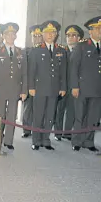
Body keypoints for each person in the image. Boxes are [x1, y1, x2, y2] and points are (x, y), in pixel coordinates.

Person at [70, 16, 101, 151]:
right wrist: (74, 86)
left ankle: (88, 142)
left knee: (93, 117)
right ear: (90, 31)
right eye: (98, 28)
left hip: (99, 89)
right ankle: (77, 141)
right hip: (82, 88)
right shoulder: (82, 46)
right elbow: (74, 68)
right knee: (80, 116)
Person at [28, 20, 67, 151]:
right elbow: (31, 71)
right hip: (39, 88)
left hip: (54, 89)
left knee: (50, 115)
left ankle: (46, 139)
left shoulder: (61, 50)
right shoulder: (36, 50)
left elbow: (63, 71)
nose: (50, 35)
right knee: (38, 115)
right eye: (47, 32)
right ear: (43, 34)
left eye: (53, 32)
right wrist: (31, 87)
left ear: (56, 34)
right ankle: (36, 140)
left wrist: (63, 87)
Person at [0, 23, 28, 150]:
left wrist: (24, 90)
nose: (11, 36)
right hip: (0, 89)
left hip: (15, 89)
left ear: (16, 36)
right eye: (8, 34)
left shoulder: (20, 52)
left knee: (12, 115)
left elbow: (24, 73)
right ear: (4, 36)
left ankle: (8, 141)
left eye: (13, 34)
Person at [54, 24, 84, 141]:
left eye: (73, 35)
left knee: (72, 110)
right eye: (68, 36)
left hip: (74, 86)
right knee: (59, 110)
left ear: (79, 38)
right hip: (62, 86)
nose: (70, 38)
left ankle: (67, 132)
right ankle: (57, 133)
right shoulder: (61, 51)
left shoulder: (82, 51)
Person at [22, 24, 44, 138]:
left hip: (42, 85)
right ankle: (26, 130)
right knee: (27, 109)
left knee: (40, 109)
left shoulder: (47, 50)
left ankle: (38, 130)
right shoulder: (25, 51)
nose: (37, 38)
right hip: (29, 84)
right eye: (34, 36)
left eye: (39, 36)